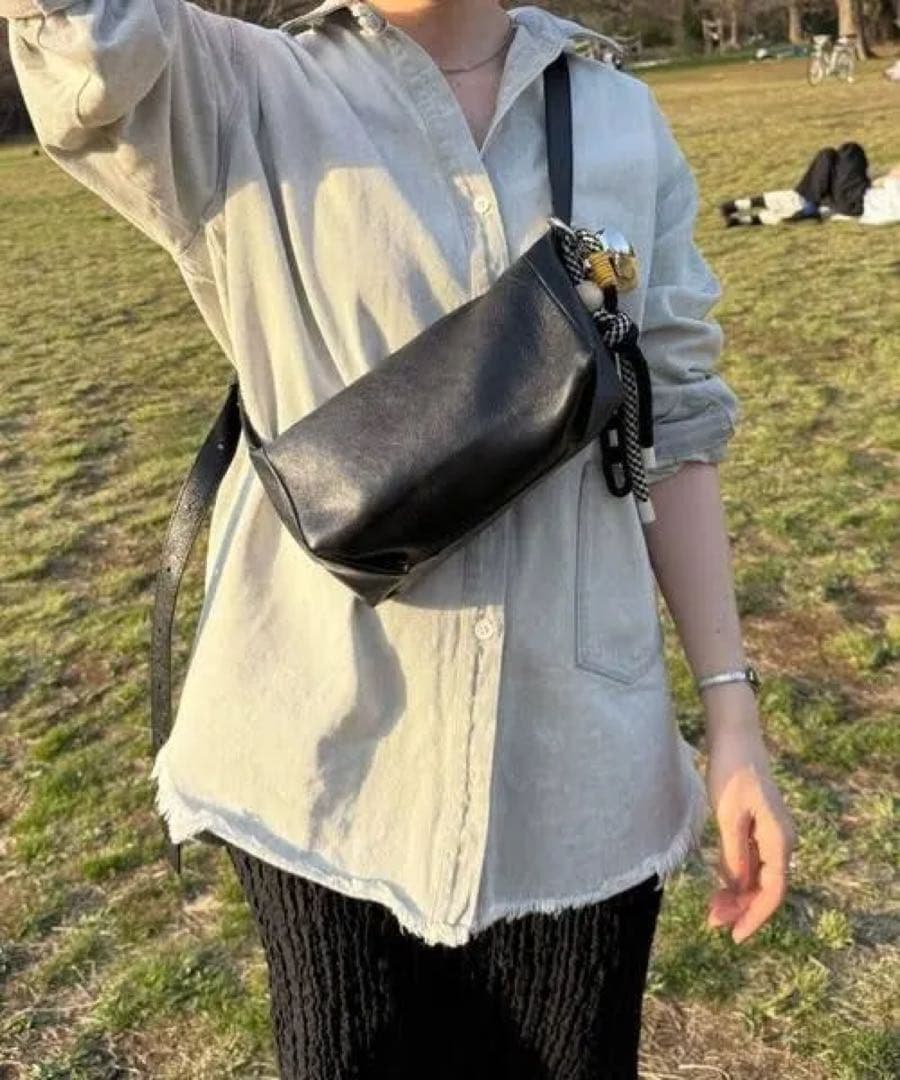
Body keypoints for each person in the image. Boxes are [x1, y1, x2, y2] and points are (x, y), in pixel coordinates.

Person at [4, 1, 798, 1077]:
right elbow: (81, 37)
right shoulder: (235, 89)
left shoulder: (619, 118)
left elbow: (677, 421)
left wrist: (732, 711)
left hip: (579, 779)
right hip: (326, 769)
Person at [720, 141, 900, 226]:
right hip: (853, 200)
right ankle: (737, 215)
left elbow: (894, 174)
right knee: (827, 155)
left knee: (852, 149)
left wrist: (887, 177)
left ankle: (809, 205)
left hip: (857, 201)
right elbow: (888, 179)